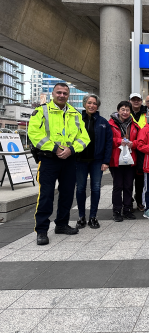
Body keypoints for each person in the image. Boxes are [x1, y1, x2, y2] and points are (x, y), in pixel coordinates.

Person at [28, 83, 90, 246]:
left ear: (68, 95)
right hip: (48, 159)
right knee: (46, 194)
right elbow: (34, 134)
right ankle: (41, 230)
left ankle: (61, 224)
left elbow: (84, 138)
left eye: (65, 93)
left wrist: (71, 149)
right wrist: (55, 148)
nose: (62, 95)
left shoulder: (75, 113)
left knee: (68, 194)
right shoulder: (41, 111)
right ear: (53, 94)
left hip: (69, 159)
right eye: (59, 92)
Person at [75, 94, 113, 230]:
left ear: (98, 106)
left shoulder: (103, 122)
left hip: (97, 161)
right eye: (89, 103)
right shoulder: (76, 120)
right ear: (84, 104)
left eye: (95, 103)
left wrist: (106, 161)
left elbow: (109, 143)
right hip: (80, 160)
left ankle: (93, 217)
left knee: (96, 188)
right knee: (80, 188)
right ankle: (81, 217)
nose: (92, 105)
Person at [109, 101, 141, 221]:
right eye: (123, 109)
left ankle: (127, 209)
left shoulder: (135, 125)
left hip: (130, 159)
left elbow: (140, 141)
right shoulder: (110, 124)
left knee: (128, 185)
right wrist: (118, 141)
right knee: (118, 186)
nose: (125, 112)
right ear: (118, 111)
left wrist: (134, 144)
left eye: (127, 110)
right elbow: (107, 140)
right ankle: (116, 211)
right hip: (116, 159)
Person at [129, 93, 147, 210]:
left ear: (141, 101)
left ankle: (139, 200)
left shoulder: (147, 114)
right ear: (130, 101)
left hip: (142, 151)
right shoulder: (125, 112)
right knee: (128, 179)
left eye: (138, 100)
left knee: (140, 178)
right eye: (133, 100)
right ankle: (128, 201)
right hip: (127, 150)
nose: (136, 102)